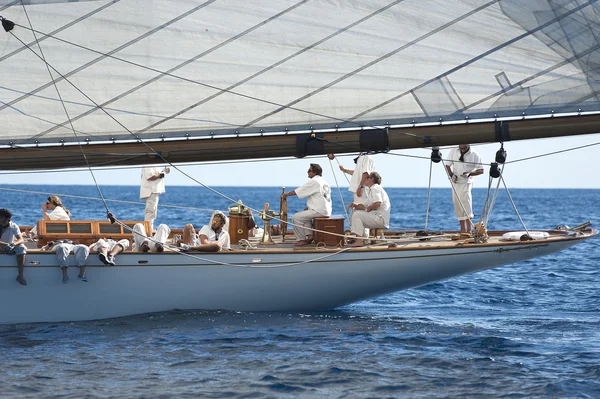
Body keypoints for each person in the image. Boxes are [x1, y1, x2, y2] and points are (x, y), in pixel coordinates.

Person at [281, 163, 332, 246]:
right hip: (325, 210)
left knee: (296, 217)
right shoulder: (324, 182)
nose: (307, 172)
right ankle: (310, 235)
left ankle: (301, 239)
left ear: (315, 172)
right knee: (305, 215)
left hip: (319, 211)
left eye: (309, 171)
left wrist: (286, 195)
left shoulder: (314, 181)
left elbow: (298, 191)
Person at [444, 144, 484, 233]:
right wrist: (451, 175)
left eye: (464, 148)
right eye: (460, 148)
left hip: (466, 182)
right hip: (455, 181)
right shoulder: (454, 151)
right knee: (457, 203)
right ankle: (463, 229)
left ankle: (469, 229)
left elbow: (481, 170)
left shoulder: (474, 154)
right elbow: (447, 165)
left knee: (466, 202)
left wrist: (470, 174)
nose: (462, 150)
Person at [346, 172, 391, 247]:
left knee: (357, 215)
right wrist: (354, 205)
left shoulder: (375, 188)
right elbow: (364, 206)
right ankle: (362, 239)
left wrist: (368, 208)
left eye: (367, 177)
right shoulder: (371, 190)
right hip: (376, 216)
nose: (365, 179)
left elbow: (377, 203)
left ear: (372, 179)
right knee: (355, 212)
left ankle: (359, 241)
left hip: (380, 218)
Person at [0, 208, 28, 286]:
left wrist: (14, 244)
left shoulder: (13, 226)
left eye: (0, 217)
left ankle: (20, 276)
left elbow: (21, 239)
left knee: (21, 248)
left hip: (9, 246)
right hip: (3, 246)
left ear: (7, 219)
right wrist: (5, 244)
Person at [140, 165, 170, 232]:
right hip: (151, 191)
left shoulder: (154, 164)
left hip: (154, 191)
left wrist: (163, 172)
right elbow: (150, 176)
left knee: (152, 213)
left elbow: (156, 175)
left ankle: (148, 231)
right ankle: (148, 232)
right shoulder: (149, 164)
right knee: (151, 212)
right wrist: (163, 173)